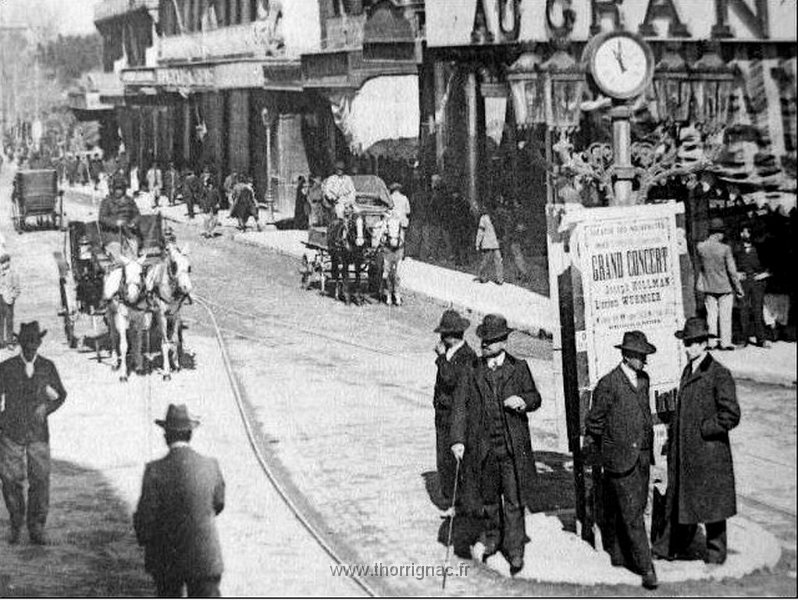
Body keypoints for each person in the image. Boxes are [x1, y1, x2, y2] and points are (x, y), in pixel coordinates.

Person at [450, 314, 542, 575]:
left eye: (489, 342)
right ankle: (493, 538)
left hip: (512, 449)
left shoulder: (519, 367)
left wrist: (522, 400)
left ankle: (514, 550)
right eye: (483, 341)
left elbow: (535, 397)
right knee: (489, 499)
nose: (484, 346)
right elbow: (459, 407)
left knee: (513, 500)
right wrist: (457, 440)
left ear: (503, 342)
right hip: (484, 448)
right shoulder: (472, 369)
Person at [652, 317, 741, 566]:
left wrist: (705, 428)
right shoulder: (689, 370)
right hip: (686, 452)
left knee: (713, 507)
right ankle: (670, 548)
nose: (688, 347)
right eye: (686, 343)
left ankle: (716, 555)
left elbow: (731, 414)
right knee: (682, 501)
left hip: (709, 453)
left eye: (693, 343)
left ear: (704, 345)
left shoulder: (719, 374)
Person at [584, 331, 659, 590]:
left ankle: (618, 554)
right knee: (631, 514)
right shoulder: (609, 383)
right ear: (626, 356)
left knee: (633, 508)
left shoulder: (644, 380)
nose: (644, 361)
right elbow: (594, 421)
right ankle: (646, 567)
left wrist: (648, 449)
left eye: (645, 356)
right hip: (619, 458)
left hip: (641, 457)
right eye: (639, 356)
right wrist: (606, 449)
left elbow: (644, 415)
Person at [134, 404, 225, 597]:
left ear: (166, 436)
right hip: (204, 557)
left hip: (167, 558)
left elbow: (146, 517)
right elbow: (218, 503)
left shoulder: (154, 470)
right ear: (190, 434)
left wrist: (145, 538)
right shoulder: (210, 466)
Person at [0, 322, 67, 545]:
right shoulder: (6, 367)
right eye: (27, 345)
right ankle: (16, 522)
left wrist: (46, 409)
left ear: (39, 344)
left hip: (38, 434)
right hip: (11, 433)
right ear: (20, 344)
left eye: (34, 344)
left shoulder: (47, 366)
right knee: (10, 479)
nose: (31, 349)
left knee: (40, 479)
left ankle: (36, 526)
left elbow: (61, 395)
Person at [432, 310, 476, 505]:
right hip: (443, 413)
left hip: (455, 414)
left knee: (454, 457)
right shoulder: (453, 352)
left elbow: (449, 380)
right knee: (443, 456)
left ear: (450, 336)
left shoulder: (467, 355)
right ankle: (450, 495)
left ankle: (458, 499)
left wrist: (441, 358)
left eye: (444, 334)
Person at [696, 217, 743, 351]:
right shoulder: (725, 249)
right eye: (722, 233)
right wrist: (739, 289)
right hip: (724, 286)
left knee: (711, 315)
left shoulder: (701, 247)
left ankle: (711, 342)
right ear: (718, 233)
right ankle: (725, 342)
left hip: (708, 286)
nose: (723, 235)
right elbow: (732, 271)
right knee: (725, 315)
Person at [734, 223, 770, 348]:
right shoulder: (737, 248)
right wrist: (736, 274)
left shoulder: (761, 248)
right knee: (743, 310)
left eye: (747, 232)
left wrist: (765, 274)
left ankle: (761, 339)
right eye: (744, 232)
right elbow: (731, 264)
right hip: (743, 282)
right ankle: (744, 339)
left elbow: (771, 264)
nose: (745, 234)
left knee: (757, 310)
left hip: (757, 282)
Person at [99, 174, 142, 262]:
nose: (119, 191)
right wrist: (115, 223)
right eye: (117, 189)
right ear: (113, 189)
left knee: (133, 255)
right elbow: (102, 218)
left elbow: (137, 215)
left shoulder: (129, 201)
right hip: (113, 235)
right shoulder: (107, 202)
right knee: (118, 258)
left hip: (128, 233)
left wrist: (133, 222)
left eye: (121, 189)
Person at [475, 208, 503, 285]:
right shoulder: (484, 218)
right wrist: (478, 242)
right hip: (488, 242)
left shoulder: (496, 218)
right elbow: (480, 231)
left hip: (495, 242)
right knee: (486, 260)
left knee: (498, 260)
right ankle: (482, 276)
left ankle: (499, 278)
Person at [0, 253, 21, 348]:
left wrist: (12, 297)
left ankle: (9, 342)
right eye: (1, 263)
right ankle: (0, 342)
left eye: (4, 263)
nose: (3, 265)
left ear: (8, 262)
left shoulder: (13, 274)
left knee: (9, 321)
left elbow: (17, 289)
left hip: (8, 300)